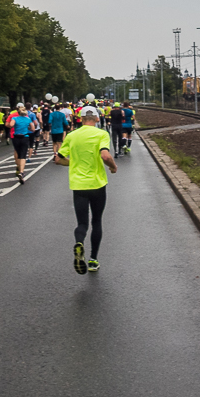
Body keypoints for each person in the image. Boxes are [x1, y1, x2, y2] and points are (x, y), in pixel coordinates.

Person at [54, 105, 117, 275]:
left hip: (78, 185)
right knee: (97, 221)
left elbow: (58, 160)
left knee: (82, 223)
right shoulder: (102, 134)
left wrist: (72, 163)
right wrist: (113, 167)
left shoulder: (72, 136)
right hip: (97, 184)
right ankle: (93, 260)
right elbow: (105, 155)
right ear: (97, 119)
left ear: (80, 119)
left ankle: (79, 242)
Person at [9, 103, 35, 183]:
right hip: (25, 137)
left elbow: (10, 125)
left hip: (16, 137)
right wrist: (28, 128)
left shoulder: (14, 118)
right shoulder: (27, 119)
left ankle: (18, 167)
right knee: (23, 155)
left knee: (18, 153)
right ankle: (21, 172)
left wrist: (16, 126)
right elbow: (33, 129)